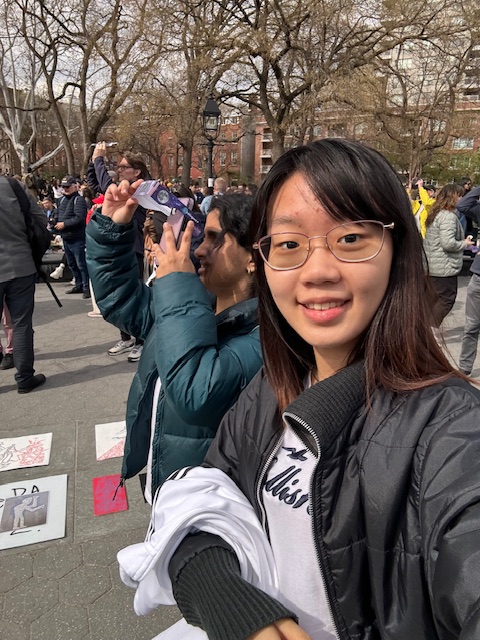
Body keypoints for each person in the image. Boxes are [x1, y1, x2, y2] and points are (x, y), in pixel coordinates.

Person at [118, 139, 480, 640]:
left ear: (398, 252)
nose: (318, 272)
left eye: (351, 239)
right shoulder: (274, 383)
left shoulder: (453, 430)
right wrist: (215, 584)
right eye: (289, 245)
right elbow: (206, 489)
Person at [86, 190, 262, 501]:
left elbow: (196, 393)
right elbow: (122, 301)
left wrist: (178, 284)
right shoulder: (194, 305)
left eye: (213, 238)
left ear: (252, 256)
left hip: (205, 507)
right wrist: (112, 230)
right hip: (165, 483)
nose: (199, 250)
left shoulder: (263, 337)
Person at [88, 143, 148, 361]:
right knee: (115, 292)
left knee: (134, 294)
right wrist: (92, 162)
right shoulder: (120, 188)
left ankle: (141, 340)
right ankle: (125, 336)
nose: (120, 171)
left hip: (134, 248)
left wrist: (98, 160)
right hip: (118, 245)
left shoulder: (141, 189)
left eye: (124, 167)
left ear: (137, 171)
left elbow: (105, 185)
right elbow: (96, 184)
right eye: (119, 167)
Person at [0, 175, 47, 393]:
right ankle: (24, 377)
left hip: (19, 264)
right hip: (20, 263)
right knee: (21, 324)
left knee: (20, 324)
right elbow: (41, 219)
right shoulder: (13, 186)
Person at [423, 184, 473, 330]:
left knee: (431, 300)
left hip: (432, 265)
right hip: (444, 267)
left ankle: (423, 329)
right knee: (446, 299)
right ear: (452, 198)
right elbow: (448, 243)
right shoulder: (448, 217)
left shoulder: (436, 213)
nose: (462, 199)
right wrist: (465, 243)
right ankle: (430, 330)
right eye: (460, 195)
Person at [54, 176, 90, 298]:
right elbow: (58, 213)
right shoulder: (62, 200)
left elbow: (80, 218)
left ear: (74, 187)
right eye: (63, 187)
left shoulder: (79, 200)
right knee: (72, 264)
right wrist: (54, 221)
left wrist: (64, 224)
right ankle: (79, 284)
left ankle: (86, 287)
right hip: (66, 237)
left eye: (67, 187)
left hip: (77, 238)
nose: (65, 189)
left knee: (81, 264)